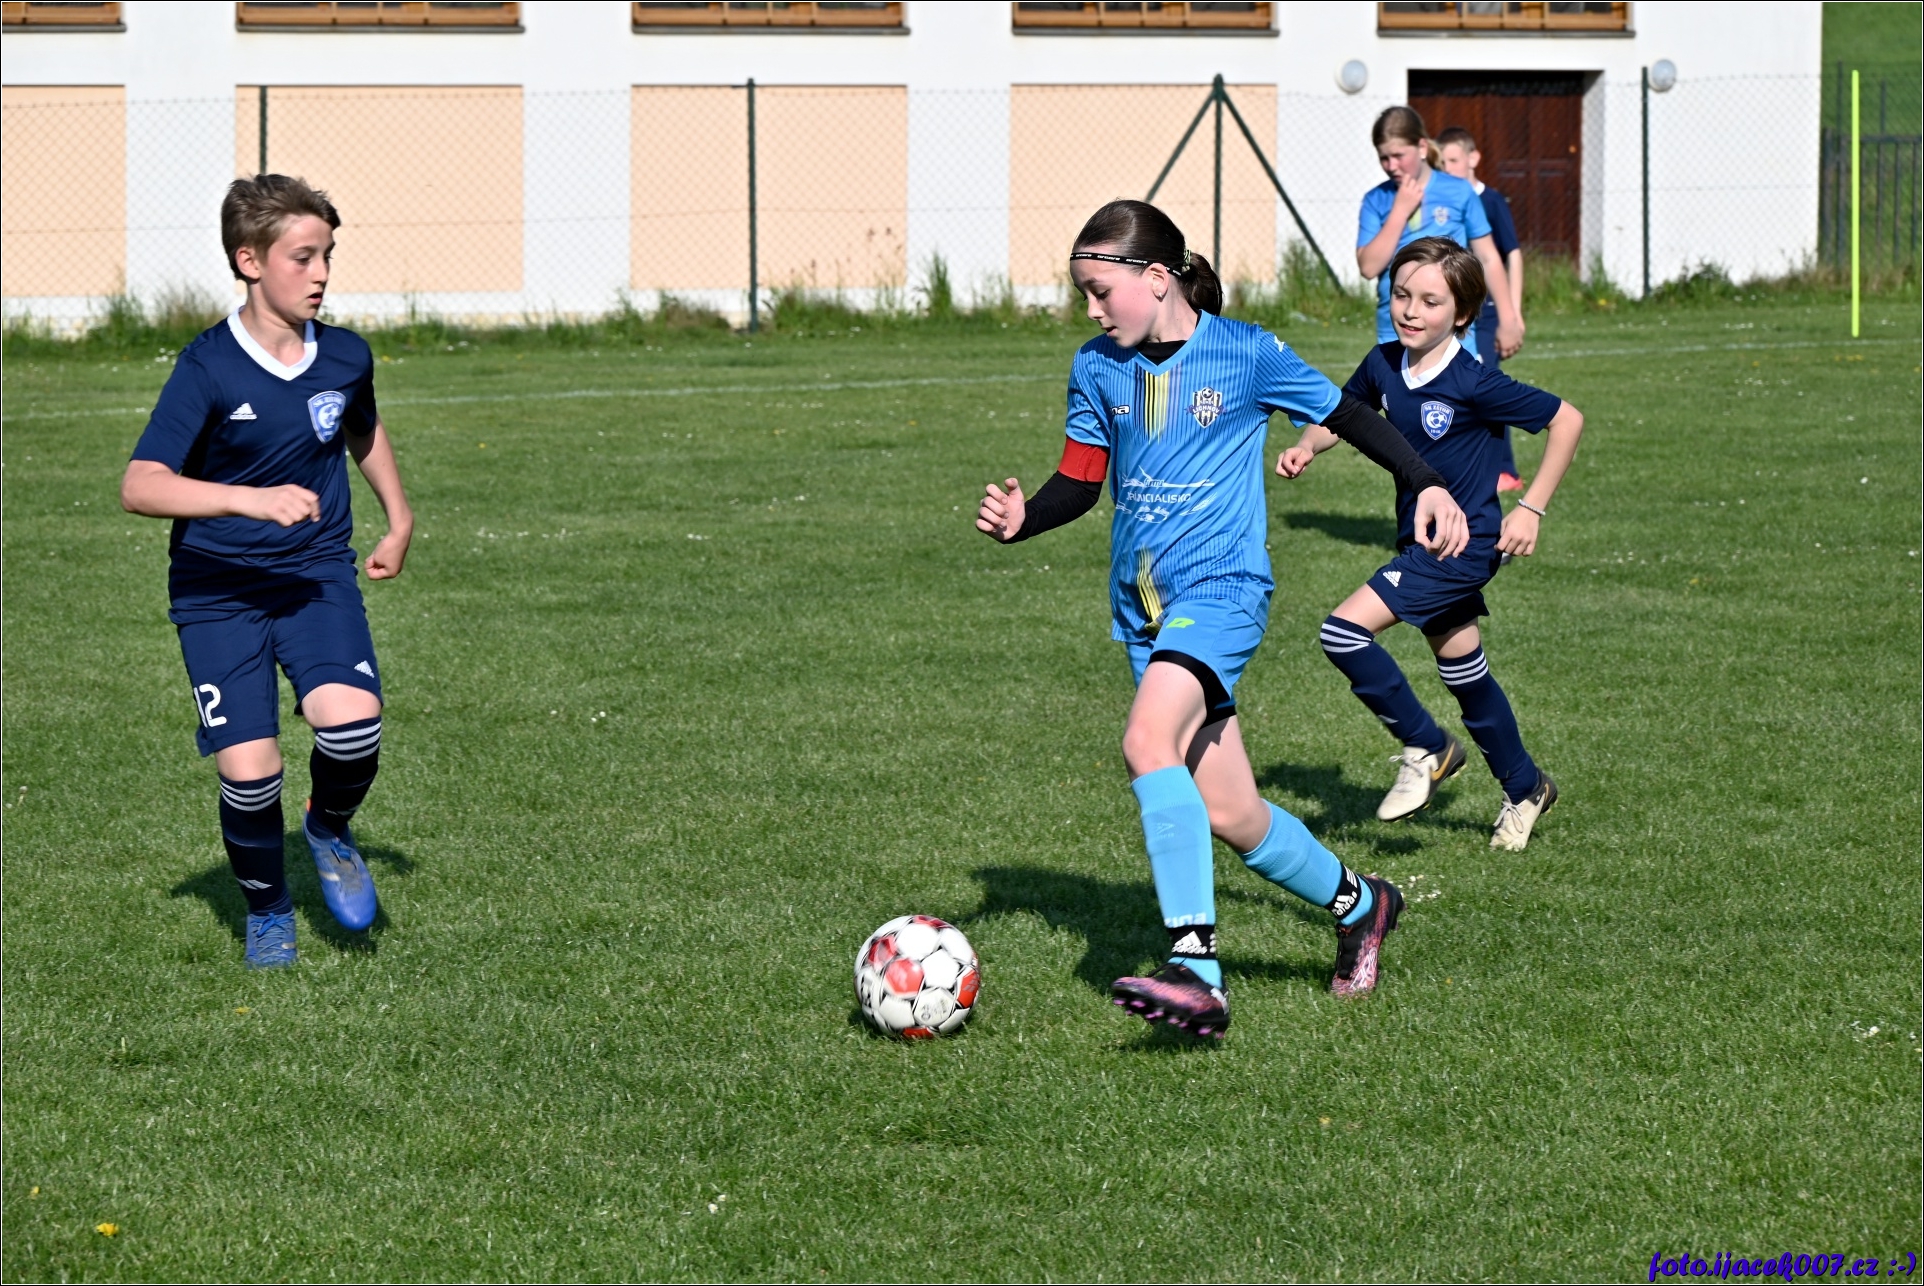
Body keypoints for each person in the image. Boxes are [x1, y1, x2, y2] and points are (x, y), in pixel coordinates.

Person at [976, 200, 1471, 1034]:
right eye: (1084, 294)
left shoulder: (1245, 353)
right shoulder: (1097, 366)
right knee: (1233, 813)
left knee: (1147, 741)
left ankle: (1196, 968)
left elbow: (1349, 415)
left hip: (1222, 592)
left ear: (1155, 278)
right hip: (1144, 611)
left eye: (1100, 291)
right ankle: (1364, 906)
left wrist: (1425, 482)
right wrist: (1027, 519)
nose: (1091, 310)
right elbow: (1081, 481)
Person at [120, 174, 413, 969]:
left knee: (353, 728)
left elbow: (360, 427)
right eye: (302, 257)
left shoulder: (345, 355)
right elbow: (140, 486)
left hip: (314, 575)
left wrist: (399, 516)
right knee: (251, 777)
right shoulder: (208, 367)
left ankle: (327, 827)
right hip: (218, 592)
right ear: (250, 261)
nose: (320, 274)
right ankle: (268, 909)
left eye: (328, 256)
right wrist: (247, 500)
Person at [1278, 237, 1582, 852]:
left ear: (1462, 313)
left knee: (1342, 633)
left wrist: (1531, 509)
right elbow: (1345, 414)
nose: (1411, 311)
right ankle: (1526, 786)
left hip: (1461, 545)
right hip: (1422, 539)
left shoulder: (1473, 381)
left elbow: (1566, 419)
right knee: (1465, 674)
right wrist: (1308, 445)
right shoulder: (1383, 362)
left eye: (1430, 301)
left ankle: (1427, 745)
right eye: (1401, 296)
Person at [1356, 106, 1524, 367]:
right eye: (1384, 158)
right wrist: (1400, 211)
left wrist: (1508, 318)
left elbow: (1488, 257)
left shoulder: (1459, 191)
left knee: (1461, 392)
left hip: (1452, 333)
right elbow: (1368, 267)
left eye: (1399, 156)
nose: (1391, 166)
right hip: (1397, 333)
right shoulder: (1376, 199)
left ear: (1422, 147)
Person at [1436, 125, 1528, 493]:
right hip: (1459, 310)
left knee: (1484, 384)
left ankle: (1505, 469)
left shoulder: (1489, 201)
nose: (1447, 168)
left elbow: (1510, 255)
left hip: (1488, 313)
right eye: (1442, 162)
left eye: (1453, 160)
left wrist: (1513, 314)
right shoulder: (1444, 202)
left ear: (1473, 158)